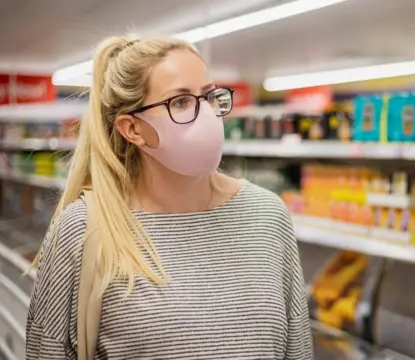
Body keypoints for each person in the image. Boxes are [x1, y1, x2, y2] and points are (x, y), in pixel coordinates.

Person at [26, 35, 313, 360]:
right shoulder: (84, 230)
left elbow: (298, 348)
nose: (206, 114)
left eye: (209, 96)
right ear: (132, 129)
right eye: (180, 102)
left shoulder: (267, 215)